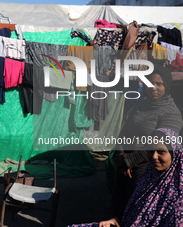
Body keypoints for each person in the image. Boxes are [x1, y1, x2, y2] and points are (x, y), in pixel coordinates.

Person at [69, 128, 183, 227]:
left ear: (174, 154)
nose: (154, 157)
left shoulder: (178, 195)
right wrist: (117, 221)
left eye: (161, 152)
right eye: (150, 151)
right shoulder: (149, 178)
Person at [111, 64, 183, 220]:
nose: (153, 88)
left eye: (159, 84)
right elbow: (124, 131)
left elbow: (162, 148)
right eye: (150, 83)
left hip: (148, 166)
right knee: (119, 207)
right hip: (125, 162)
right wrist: (121, 153)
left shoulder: (171, 113)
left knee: (139, 211)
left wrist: (128, 161)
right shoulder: (141, 103)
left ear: (167, 86)